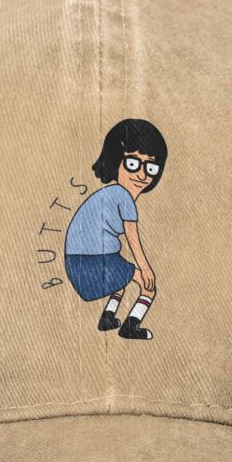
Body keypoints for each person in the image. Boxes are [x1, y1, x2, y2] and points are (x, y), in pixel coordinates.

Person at [64, 118, 167, 340]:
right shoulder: (124, 197)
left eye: (150, 167)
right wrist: (146, 268)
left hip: (76, 263)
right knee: (147, 286)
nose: (142, 175)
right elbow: (132, 237)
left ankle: (108, 317)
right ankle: (131, 325)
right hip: (93, 262)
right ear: (115, 160)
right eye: (132, 164)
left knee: (121, 276)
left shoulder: (108, 194)